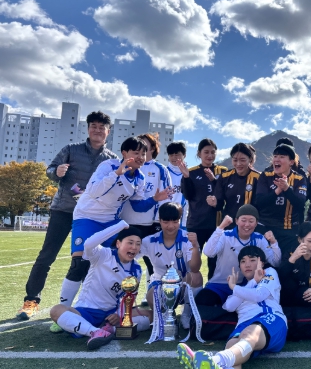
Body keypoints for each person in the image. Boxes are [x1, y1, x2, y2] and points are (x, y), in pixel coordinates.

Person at [50, 137, 170, 333]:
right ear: (124, 153)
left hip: (110, 221)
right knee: (79, 263)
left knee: (111, 264)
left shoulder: (140, 177)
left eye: (143, 153)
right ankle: (65, 310)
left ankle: (111, 313)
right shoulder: (109, 166)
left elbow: (137, 205)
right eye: (136, 153)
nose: (140, 157)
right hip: (87, 216)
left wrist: (155, 199)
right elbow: (94, 191)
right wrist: (117, 173)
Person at [17, 111, 117, 320]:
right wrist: (56, 172)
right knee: (47, 256)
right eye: (94, 126)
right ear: (88, 128)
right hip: (64, 210)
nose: (98, 130)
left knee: (91, 261)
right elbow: (50, 170)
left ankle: (87, 304)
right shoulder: (71, 149)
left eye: (102, 127)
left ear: (108, 132)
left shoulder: (112, 160)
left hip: (91, 217)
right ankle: (31, 301)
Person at [177, 245, 287, 369]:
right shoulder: (241, 288)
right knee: (232, 347)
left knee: (249, 334)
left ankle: (214, 361)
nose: (247, 264)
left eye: (252, 260)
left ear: (261, 263)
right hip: (244, 324)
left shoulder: (269, 273)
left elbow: (259, 295)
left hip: (270, 318)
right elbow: (228, 306)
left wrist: (236, 287)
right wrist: (247, 284)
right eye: (243, 261)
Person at [49, 221, 151, 350]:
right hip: (87, 310)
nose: (134, 247)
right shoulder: (103, 254)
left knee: (150, 315)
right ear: (118, 243)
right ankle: (95, 332)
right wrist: (119, 226)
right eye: (130, 242)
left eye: (138, 244)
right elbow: (89, 244)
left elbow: (129, 297)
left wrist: (119, 315)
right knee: (56, 310)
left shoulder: (136, 269)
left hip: (111, 314)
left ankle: (108, 329)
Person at [121, 132, 172, 302]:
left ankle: (152, 296)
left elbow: (167, 197)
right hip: (127, 222)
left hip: (151, 223)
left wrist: (161, 221)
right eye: (137, 147)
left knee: (154, 262)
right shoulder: (126, 165)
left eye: (145, 146)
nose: (141, 149)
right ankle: (123, 298)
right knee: (124, 259)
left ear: (152, 148)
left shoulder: (160, 169)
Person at [196, 205, 280, 306]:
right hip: (220, 284)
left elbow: (275, 262)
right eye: (243, 220)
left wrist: (273, 242)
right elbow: (209, 252)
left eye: (251, 221)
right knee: (203, 300)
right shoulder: (226, 235)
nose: (247, 225)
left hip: (247, 286)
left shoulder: (259, 239)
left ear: (256, 223)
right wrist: (221, 227)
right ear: (236, 221)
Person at [140, 202, 202, 328]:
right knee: (151, 295)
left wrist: (195, 247)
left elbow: (195, 268)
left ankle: (186, 314)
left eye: (175, 221)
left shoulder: (188, 239)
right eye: (166, 222)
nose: (170, 226)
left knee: (196, 276)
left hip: (183, 283)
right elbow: (131, 256)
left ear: (180, 220)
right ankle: (166, 315)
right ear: (159, 220)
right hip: (160, 284)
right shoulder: (149, 241)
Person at [178, 138, 228, 280]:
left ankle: (211, 289)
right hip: (196, 224)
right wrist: (186, 177)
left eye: (213, 152)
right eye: (206, 152)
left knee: (215, 262)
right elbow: (188, 196)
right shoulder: (191, 172)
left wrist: (214, 181)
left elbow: (226, 194)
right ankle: (190, 289)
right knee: (192, 262)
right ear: (199, 153)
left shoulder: (223, 171)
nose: (210, 155)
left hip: (216, 225)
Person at [255, 144, 307, 258]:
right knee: (263, 262)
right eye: (275, 156)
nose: (277, 159)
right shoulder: (265, 176)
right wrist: (277, 191)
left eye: (282, 156)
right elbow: (259, 202)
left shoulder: (299, 179)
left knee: (286, 262)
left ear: (291, 162)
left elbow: (300, 204)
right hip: (266, 227)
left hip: (288, 230)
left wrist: (287, 189)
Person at [213, 143, 261, 224]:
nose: (238, 164)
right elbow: (219, 204)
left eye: (242, 160)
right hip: (229, 224)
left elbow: (261, 205)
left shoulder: (258, 178)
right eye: (235, 160)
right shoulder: (224, 177)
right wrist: (215, 203)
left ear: (250, 159)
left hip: (248, 226)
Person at [166, 141, 189, 230]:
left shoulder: (190, 173)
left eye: (177, 155)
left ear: (184, 155)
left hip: (185, 218)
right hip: (166, 216)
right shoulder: (163, 172)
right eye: (171, 155)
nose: (174, 157)